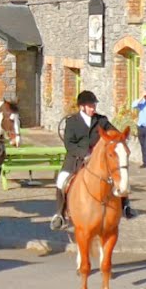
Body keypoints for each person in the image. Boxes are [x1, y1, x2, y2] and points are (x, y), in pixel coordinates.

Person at [49, 91, 133, 230]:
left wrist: (120, 139)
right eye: (90, 106)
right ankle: (60, 214)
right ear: (82, 107)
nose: (93, 108)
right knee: (61, 180)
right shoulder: (72, 121)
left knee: (119, 177)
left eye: (94, 105)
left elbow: (115, 134)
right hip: (76, 158)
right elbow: (69, 144)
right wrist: (85, 154)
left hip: (99, 159)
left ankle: (125, 206)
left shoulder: (101, 120)